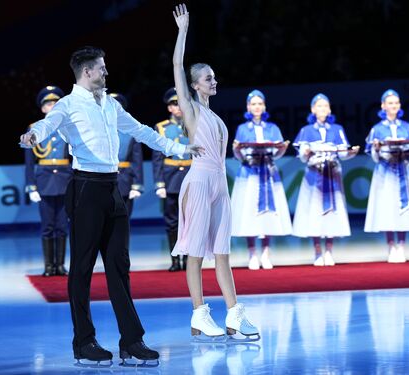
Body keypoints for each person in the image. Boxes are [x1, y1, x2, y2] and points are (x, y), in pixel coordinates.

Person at [19, 46, 204, 367]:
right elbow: (45, 126)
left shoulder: (110, 104)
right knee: (82, 268)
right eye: (102, 69)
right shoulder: (67, 105)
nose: (106, 73)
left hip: (112, 188)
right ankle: (84, 341)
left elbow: (142, 131)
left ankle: (131, 341)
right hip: (85, 189)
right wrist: (32, 135)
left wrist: (183, 148)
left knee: (119, 267)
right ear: (87, 72)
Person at [170, 3, 259, 341]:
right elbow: (177, 64)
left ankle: (235, 315)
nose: (214, 80)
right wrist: (183, 30)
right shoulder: (190, 109)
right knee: (195, 251)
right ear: (195, 85)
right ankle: (199, 314)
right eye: (208, 78)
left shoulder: (216, 116)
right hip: (200, 181)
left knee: (222, 251)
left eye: (213, 77)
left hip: (220, 182)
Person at [292, 93, 359, 266]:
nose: (323, 109)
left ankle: (329, 250)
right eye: (319, 106)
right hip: (314, 177)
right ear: (313, 109)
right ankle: (317, 250)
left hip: (332, 175)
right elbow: (302, 155)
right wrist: (306, 152)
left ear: (329, 110)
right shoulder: (306, 130)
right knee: (314, 212)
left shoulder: (337, 129)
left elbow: (343, 153)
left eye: (325, 106)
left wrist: (351, 153)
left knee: (332, 213)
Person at [364, 89, 409, 263]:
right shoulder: (377, 129)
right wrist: (377, 149)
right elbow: (373, 155)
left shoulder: (408, 127)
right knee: (387, 207)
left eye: (396, 103)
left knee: (404, 208)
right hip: (385, 171)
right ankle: (390, 245)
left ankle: (401, 245)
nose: (393, 106)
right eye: (390, 103)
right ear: (383, 106)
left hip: (404, 169)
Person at [230, 89, 292, 270]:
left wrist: (282, 148)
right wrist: (237, 148)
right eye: (253, 104)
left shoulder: (272, 128)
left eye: (260, 104)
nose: (257, 107)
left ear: (264, 106)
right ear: (248, 107)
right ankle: (252, 253)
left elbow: (278, 152)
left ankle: (266, 253)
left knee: (268, 214)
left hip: (268, 172)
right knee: (250, 213)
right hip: (249, 173)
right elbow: (238, 154)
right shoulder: (242, 128)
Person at [24, 85, 72, 277]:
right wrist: (31, 186)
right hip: (44, 180)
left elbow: (75, 157)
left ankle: (59, 265)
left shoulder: (69, 127)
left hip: (64, 179)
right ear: (43, 108)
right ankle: (48, 266)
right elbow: (29, 161)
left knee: (62, 225)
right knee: (47, 226)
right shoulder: (34, 128)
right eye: (48, 104)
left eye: (55, 103)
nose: (52, 106)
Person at [152, 87, 191, 272]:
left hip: (191, 177)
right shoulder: (161, 128)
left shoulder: (194, 124)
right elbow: (157, 157)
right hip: (171, 178)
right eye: (174, 103)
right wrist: (159, 183)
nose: (178, 107)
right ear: (169, 108)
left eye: (180, 102)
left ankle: (191, 260)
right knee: (172, 221)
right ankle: (175, 260)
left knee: (191, 221)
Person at [109, 93, 144, 216]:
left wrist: (137, 185)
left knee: (124, 219)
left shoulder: (131, 132)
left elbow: (137, 160)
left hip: (124, 180)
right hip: (102, 181)